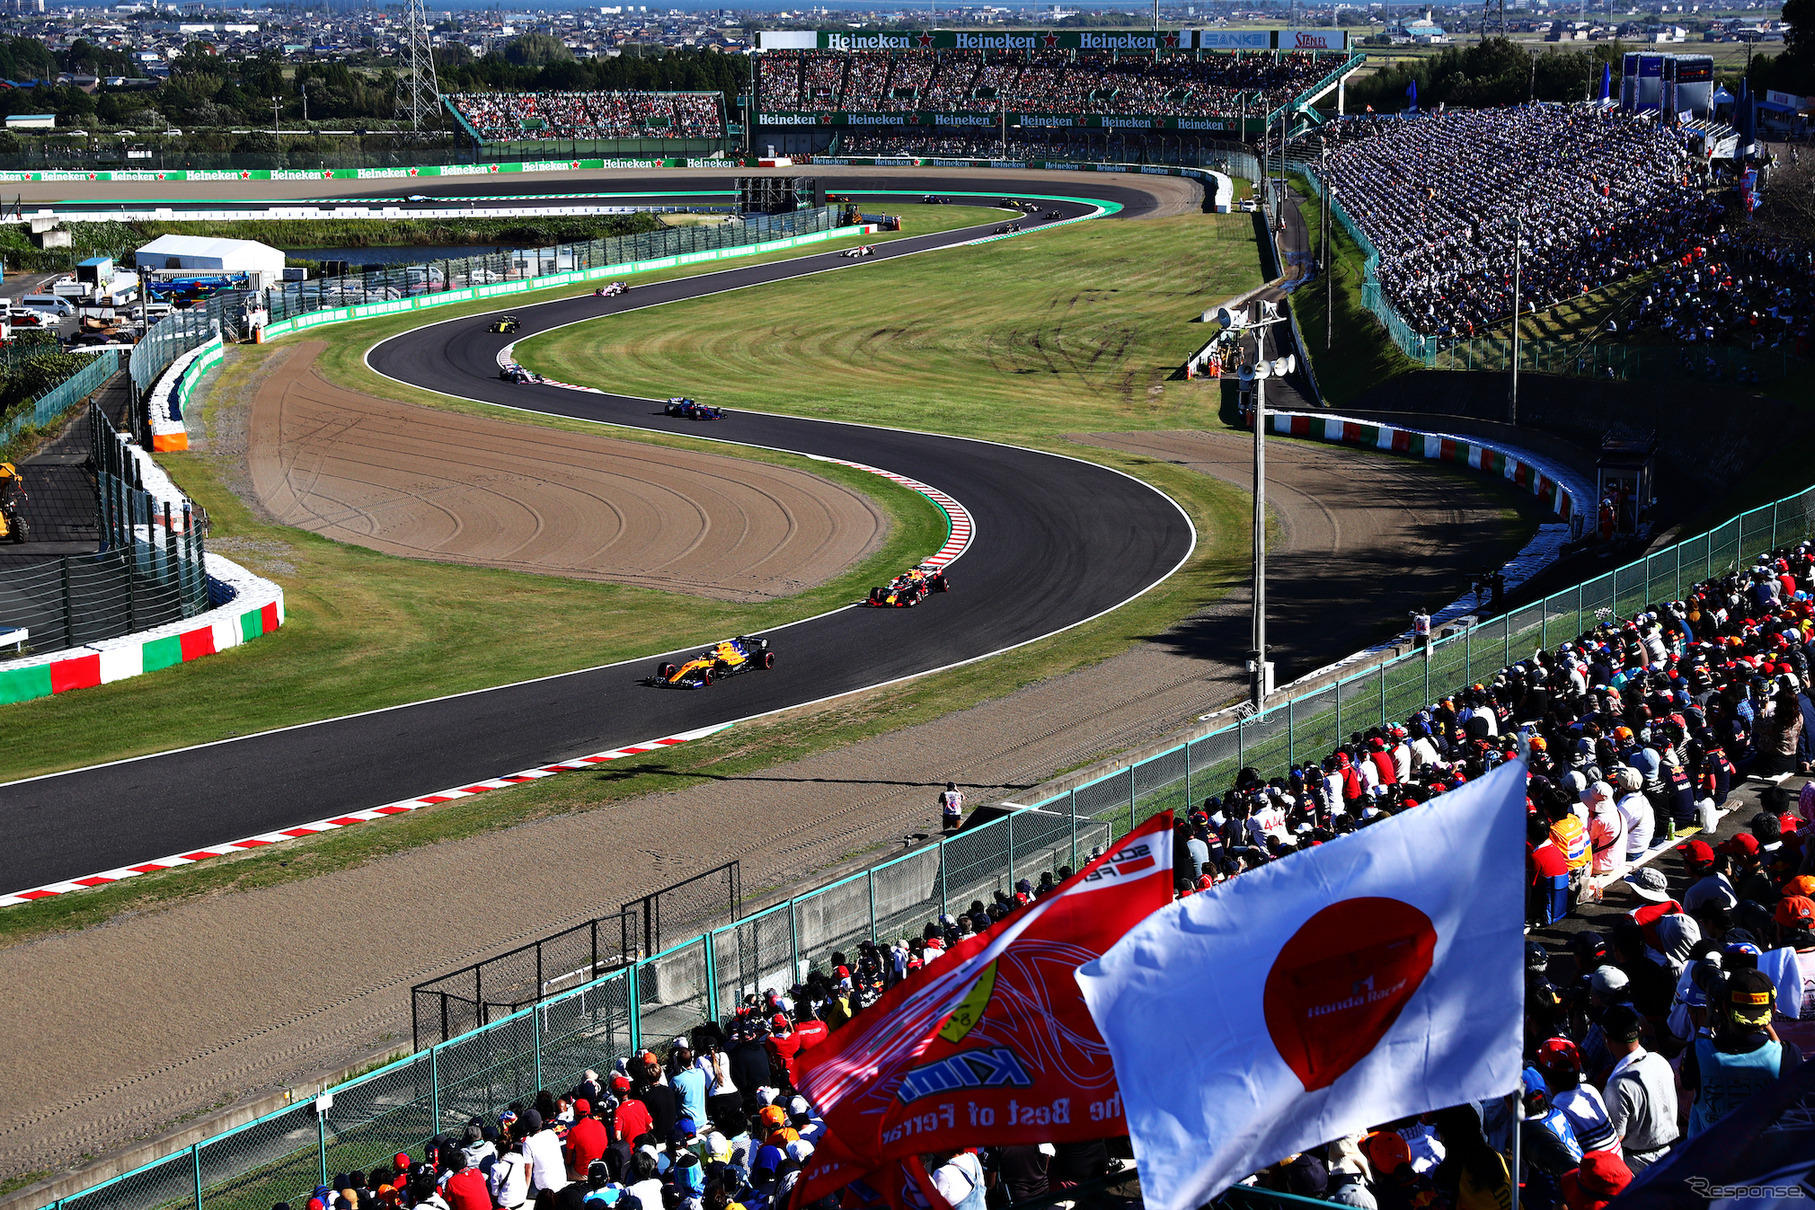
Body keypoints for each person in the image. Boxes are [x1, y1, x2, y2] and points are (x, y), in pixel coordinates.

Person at [1682, 968, 1805, 1136]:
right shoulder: (1787, 1056)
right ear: (1773, 1009)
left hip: (1713, 1158)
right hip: (1766, 1158)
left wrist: (1707, 1021)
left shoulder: (1698, 1053)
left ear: (1725, 1007)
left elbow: (1688, 1082)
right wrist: (1769, 1029)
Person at [1600, 1005, 1679, 1171]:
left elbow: (1615, 1138)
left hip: (1639, 1167)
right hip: (1673, 1156)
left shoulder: (1619, 1084)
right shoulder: (1659, 1061)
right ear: (1640, 1030)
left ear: (1606, 1039)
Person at [522, 1111, 569, 1196]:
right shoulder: (551, 1133)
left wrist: (523, 1195)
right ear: (541, 1123)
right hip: (561, 1182)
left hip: (543, 1189)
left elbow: (527, 1173)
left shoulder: (528, 1142)